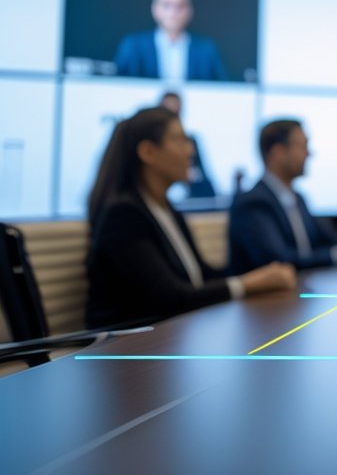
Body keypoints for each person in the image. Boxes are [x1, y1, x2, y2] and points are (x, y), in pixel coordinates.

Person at [85, 107, 295, 328]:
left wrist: (260, 275)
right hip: (126, 351)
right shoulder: (123, 215)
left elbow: (200, 275)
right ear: (148, 152)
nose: (191, 150)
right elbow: (172, 298)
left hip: (170, 336)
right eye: (179, 140)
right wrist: (247, 284)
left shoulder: (167, 209)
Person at [228, 119, 337, 273]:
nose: (309, 154)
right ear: (278, 152)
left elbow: (332, 244)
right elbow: (278, 260)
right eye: (302, 146)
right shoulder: (253, 203)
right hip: (263, 306)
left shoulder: (298, 198)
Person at [114, 0, 226, 81]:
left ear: (189, 11)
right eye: (166, 5)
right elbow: (117, 85)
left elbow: (219, 89)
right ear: (155, 8)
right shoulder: (134, 45)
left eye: (180, 6)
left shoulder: (206, 49)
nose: (173, 12)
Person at [158, 91, 216, 199]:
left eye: (176, 113)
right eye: (168, 114)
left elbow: (207, 187)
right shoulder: (153, 145)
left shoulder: (190, 141)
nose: (189, 150)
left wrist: (192, 178)